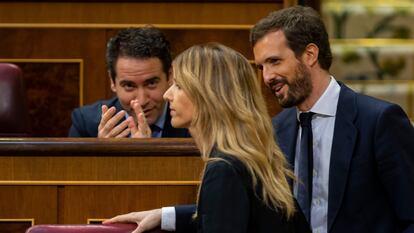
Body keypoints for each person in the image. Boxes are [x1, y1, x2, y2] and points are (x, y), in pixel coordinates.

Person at [104, 43, 311, 233]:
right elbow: (232, 212)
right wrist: (166, 215)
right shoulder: (245, 157)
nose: (168, 95)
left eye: (179, 86)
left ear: (207, 95)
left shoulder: (224, 168)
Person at [250, 6, 414, 233]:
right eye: (261, 67)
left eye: (275, 61)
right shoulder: (276, 129)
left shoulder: (379, 121)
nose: (266, 77)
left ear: (310, 55)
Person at [68, 27, 189, 138]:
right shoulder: (85, 123)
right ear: (112, 82)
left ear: (170, 76)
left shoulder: (193, 122)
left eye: (151, 83)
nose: (141, 102)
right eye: (129, 86)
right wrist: (102, 156)